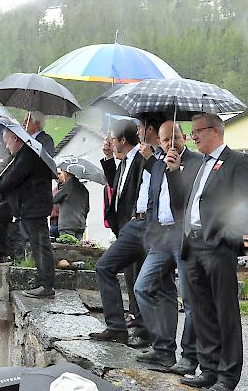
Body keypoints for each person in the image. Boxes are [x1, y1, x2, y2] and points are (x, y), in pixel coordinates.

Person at [178, 113, 248, 391]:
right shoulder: (200, 165)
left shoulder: (238, 161)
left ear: (216, 131)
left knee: (225, 312)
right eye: (192, 131)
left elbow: (243, 204)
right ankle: (208, 368)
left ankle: (228, 376)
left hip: (217, 246)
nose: (193, 136)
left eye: (197, 131)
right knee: (201, 311)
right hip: (193, 245)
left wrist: (223, 239)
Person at [134, 121, 201, 371]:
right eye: (165, 139)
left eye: (175, 137)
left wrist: (176, 171)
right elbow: (153, 197)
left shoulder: (196, 162)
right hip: (160, 236)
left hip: (183, 236)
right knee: (143, 287)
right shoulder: (159, 163)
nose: (171, 142)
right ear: (158, 142)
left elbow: (186, 201)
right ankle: (163, 349)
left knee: (190, 299)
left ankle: (189, 356)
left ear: (184, 137)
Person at [90, 118, 153, 348]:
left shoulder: (141, 159)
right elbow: (116, 185)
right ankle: (128, 325)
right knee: (130, 278)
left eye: (112, 139)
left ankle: (137, 328)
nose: (109, 142)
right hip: (126, 228)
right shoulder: (125, 161)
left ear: (124, 140)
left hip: (138, 229)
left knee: (134, 278)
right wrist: (108, 158)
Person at [0, 128, 55, 298]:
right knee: (37, 244)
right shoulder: (24, 153)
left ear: (15, 138)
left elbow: (16, 175)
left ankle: (47, 286)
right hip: (32, 206)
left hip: (35, 205)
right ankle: (43, 282)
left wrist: (0, 188)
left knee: (40, 244)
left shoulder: (28, 153)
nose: (7, 146)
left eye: (7, 142)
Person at [53, 170, 90, 241]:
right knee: (79, 250)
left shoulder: (67, 185)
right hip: (80, 224)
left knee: (67, 250)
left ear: (65, 173)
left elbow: (54, 199)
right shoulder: (84, 189)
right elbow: (87, 208)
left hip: (67, 225)